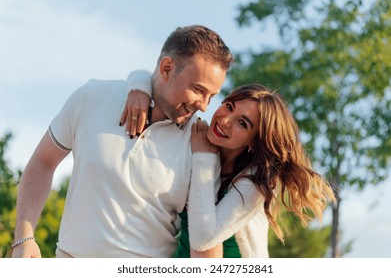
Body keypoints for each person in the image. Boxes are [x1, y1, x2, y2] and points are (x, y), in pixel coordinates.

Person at [12, 25, 233, 258]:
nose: (204, 106)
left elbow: (205, 241)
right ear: (167, 68)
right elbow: (43, 162)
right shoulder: (92, 97)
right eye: (199, 90)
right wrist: (23, 238)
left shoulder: (201, 146)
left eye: (212, 96)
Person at [122, 80, 336, 257]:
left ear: (254, 142)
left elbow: (203, 238)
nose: (225, 121)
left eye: (243, 123)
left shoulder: (253, 184)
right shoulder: (197, 136)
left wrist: (204, 158)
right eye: (229, 107)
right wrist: (139, 89)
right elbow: (165, 79)